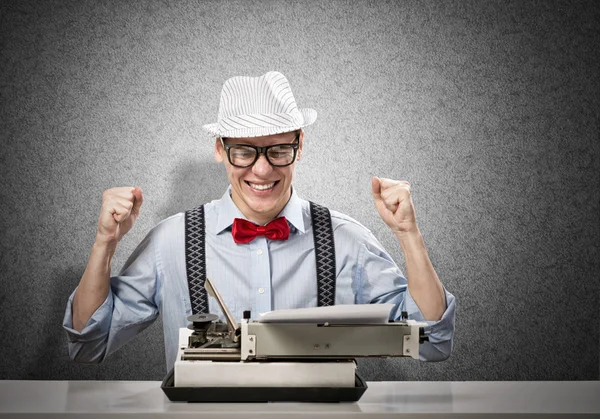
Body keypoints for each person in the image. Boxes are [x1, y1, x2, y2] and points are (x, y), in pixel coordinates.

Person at [63, 71, 456, 373]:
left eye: (279, 149)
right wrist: (104, 245)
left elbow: (431, 340)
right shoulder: (171, 241)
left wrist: (409, 235)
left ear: (300, 147)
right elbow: (89, 343)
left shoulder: (347, 240)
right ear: (219, 150)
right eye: (244, 152)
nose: (262, 169)